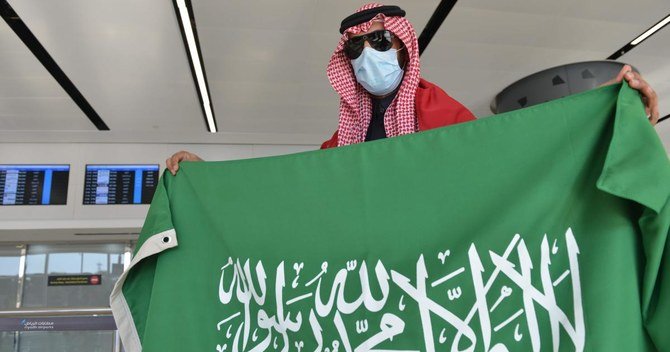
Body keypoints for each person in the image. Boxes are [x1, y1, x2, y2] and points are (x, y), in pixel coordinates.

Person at [166, 3, 660, 174]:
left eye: (378, 42)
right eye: (354, 50)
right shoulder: (346, 136)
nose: (367, 57)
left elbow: (517, 155)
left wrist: (615, 120)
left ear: (403, 48)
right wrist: (209, 178)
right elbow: (296, 185)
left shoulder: (441, 112)